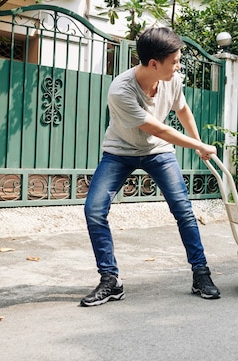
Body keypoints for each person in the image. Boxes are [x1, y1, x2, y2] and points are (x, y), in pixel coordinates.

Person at [81, 27, 220, 307]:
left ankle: (200, 272)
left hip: (158, 153)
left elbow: (182, 110)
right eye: (175, 61)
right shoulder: (121, 90)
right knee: (94, 210)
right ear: (154, 64)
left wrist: (198, 141)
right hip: (121, 151)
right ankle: (110, 280)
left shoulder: (173, 80)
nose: (178, 66)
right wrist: (197, 147)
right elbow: (159, 129)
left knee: (183, 210)